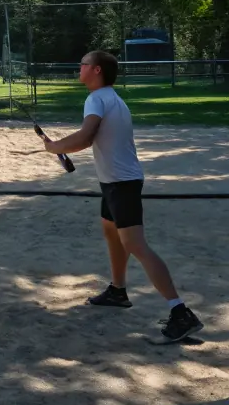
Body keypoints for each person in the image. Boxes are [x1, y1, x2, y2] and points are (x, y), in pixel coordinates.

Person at [41, 50, 205, 343]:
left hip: (121, 183)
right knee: (110, 230)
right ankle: (118, 290)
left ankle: (180, 312)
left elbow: (85, 136)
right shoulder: (110, 98)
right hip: (115, 181)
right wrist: (59, 145)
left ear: (98, 71)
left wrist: (55, 148)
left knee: (135, 244)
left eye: (84, 64)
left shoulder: (97, 99)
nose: (79, 67)